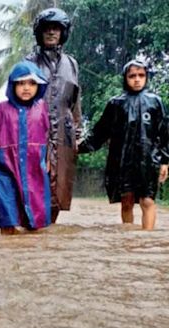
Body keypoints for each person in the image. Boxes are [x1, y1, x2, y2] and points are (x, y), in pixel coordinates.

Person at [78, 59, 169, 230]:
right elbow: (100, 132)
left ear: (146, 77)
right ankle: (128, 237)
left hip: (149, 161)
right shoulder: (116, 103)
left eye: (141, 75)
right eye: (132, 76)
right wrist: (78, 148)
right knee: (126, 200)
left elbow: (164, 134)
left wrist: (165, 161)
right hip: (122, 162)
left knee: (147, 200)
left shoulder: (155, 102)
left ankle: (147, 238)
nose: (137, 79)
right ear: (125, 78)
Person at [0, 60, 51, 235]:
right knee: (8, 216)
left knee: (34, 219)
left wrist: (50, 158)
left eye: (31, 83)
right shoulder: (1, 110)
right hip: (6, 168)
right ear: (12, 85)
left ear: (39, 86)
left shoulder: (42, 108)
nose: (26, 88)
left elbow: (51, 135)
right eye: (21, 83)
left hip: (34, 169)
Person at [26, 7, 82, 223]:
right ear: (40, 33)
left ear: (63, 32)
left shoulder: (72, 64)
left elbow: (76, 101)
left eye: (56, 29)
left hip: (65, 134)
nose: (51, 33)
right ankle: (34, 231)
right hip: (36, 132)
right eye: (47, 29)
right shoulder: (29, 62)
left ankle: (49, 231)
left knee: (59, 192)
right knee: (35, 184)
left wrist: (77, 134)